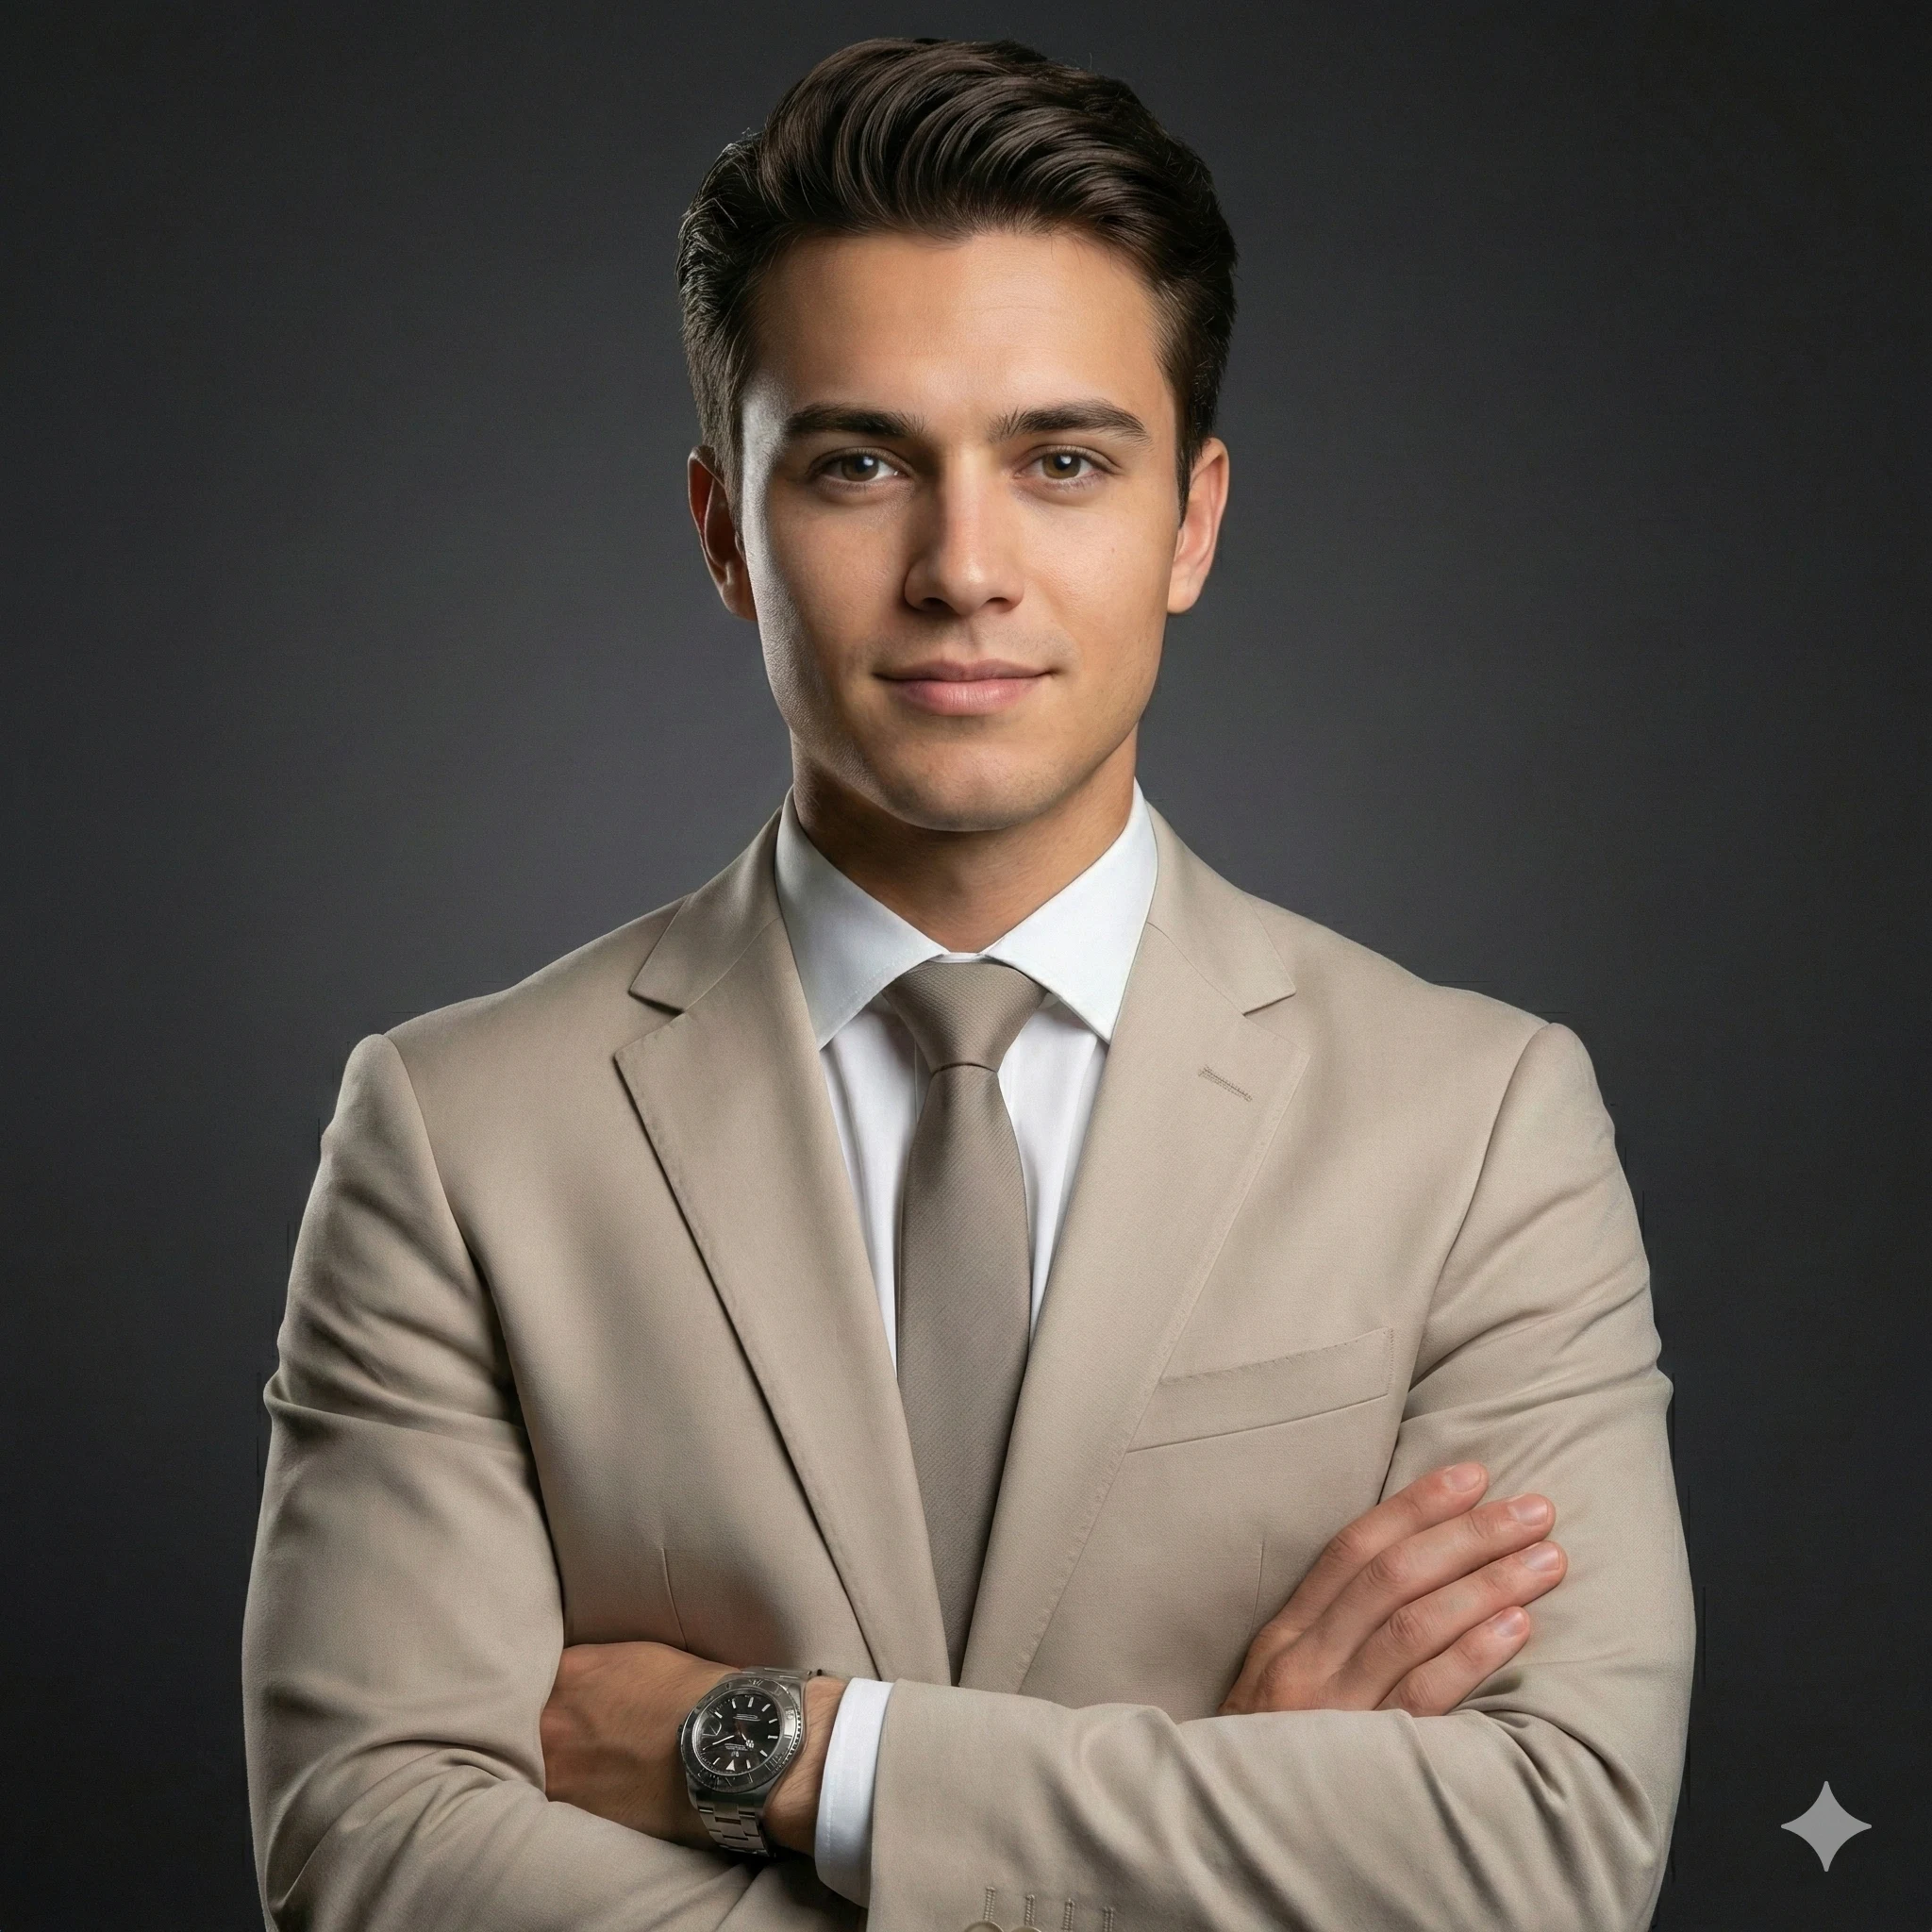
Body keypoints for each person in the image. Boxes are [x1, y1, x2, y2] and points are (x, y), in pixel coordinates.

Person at [242, 36, 1694, 1932]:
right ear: (721, 534)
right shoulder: (455, 1135)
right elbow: (372, 1856)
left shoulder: (1480, 1121)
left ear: (1192, 520)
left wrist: (781, 1751)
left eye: (1062, 460)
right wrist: (1235, 1813)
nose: (962, 568)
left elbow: (1547, 1846)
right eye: (857, 464)